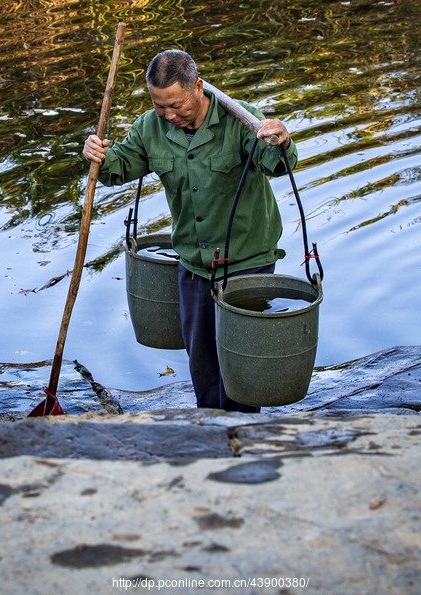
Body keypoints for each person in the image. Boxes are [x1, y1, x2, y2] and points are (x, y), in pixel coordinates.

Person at [82, 49, 297, 412]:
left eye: (176, 105)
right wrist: (96, 154)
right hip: (194, 263)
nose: (168, 115)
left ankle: (243, 438)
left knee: (239, 367)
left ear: (197, 87)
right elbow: (117, 168)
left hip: (248, 261)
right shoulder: (151, 127)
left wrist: (282, 140)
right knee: (202, 362)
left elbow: (276, 163)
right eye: (159, 105)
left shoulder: (241, 120)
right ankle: (211, 431)